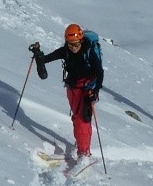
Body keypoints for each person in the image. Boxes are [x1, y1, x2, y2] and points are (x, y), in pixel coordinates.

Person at [30, 23, 102, 160]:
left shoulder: (90, 52)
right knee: (76, 118)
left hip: (87, 90)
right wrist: (37, 54)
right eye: (70, 45)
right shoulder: (66, 51)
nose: (74, 48)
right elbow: (47, 59)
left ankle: (84, 153)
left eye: (76, 44)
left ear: (81, 41)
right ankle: (81, 144)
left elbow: (100, 72)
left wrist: (96, 91)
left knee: (83, 121)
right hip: (72, 88)